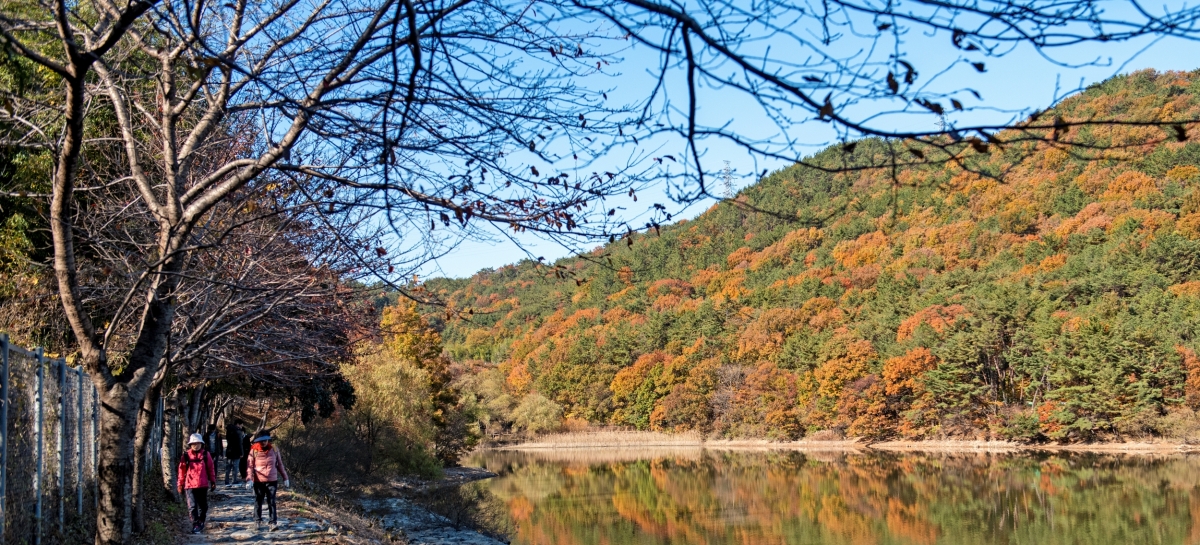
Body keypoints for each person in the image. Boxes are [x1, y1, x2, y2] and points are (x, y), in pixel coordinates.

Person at [245, 431, 289, 529]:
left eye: (265, 440)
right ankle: (257, 520)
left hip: (272, 480)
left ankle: (273, 522)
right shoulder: (254, 451)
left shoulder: (274, 449)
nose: (263, 442)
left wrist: (285, 477)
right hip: (258, 481)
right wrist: (249, 479)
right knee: (258, 501)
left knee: (271, 501)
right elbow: (250, 466)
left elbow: (280, 464)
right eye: (261, 441)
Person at [178, 433, 217, 534]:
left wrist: (213, 481)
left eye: (198, 443)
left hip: (202, 485)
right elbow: (181, 471)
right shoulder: (186, 456)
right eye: (194, 443)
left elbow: (210, 468)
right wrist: (180, 484)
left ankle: (201, 520)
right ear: (190, 445)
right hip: (189, 485)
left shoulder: (205, 455)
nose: (196, 445)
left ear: (201, 444)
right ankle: (195, 524)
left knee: (203, 506)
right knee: (192, 506)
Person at [224, 420, 244, 485]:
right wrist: (241, 453)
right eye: (241, 425)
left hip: (229, 451)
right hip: (236, 452)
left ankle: (226, 481)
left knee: (228, 467)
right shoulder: (238, 431)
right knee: (235, 467)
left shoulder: (229, 430)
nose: (241, 427)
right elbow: (240, 443)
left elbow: (227, 439)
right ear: (238, 424)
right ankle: (234, 481)